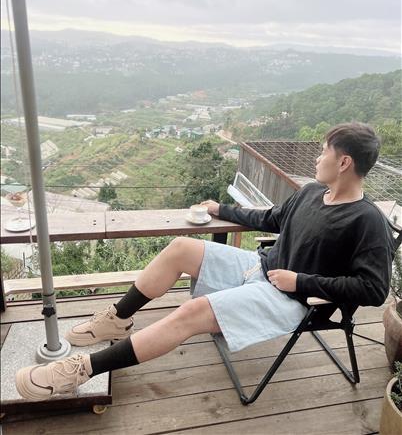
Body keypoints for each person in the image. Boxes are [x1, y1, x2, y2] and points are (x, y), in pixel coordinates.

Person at [15, 122, 396, 401]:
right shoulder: (312, 192)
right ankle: (118, 318)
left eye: (323, 151)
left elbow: (374, 289)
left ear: (344, 162)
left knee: (192, 312)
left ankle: (82, 370)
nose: (317, 157)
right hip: (259, 266)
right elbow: (270, 219)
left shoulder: (367, 221)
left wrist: (300, 282)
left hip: (291, 299)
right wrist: (220, 208)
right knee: (181, 247)